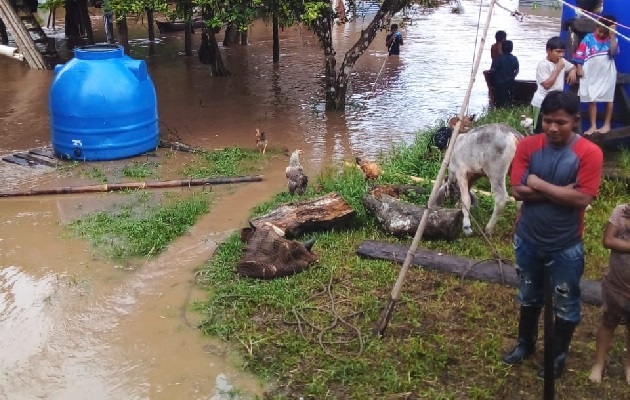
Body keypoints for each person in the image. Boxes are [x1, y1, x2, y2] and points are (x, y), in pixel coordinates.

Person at [503, 90, 603, 379]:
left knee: (566, 304)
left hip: (566, 244)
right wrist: (563, 191)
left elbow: (582, 199)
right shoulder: (528, 146)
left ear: (575, 120)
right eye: (547, 121)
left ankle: (557, 358)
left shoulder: (589, 153)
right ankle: (525, 345)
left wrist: (538, 184)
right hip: (528, 238)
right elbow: (517, 190)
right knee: (528, 294)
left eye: (560, 122)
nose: (553, 128)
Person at [588, 203, 630, 384]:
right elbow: (608, 240)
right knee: (608, 322)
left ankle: (629, 365)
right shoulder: (621, 212)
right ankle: (599, 363)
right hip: (616, 285)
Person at [572, 15, 619, 135]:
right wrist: (579, 67)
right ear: (596, 27)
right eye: (600, 31)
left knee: (609, 98)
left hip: (607, 72)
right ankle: (593, 126)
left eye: (605, 33)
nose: (602, 35)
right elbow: (580, 54)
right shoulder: (588, 38)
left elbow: (613, 52)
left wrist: (612, 36)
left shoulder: (611, 39)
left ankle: (607, 124)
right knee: (591, 98)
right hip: (591, 72)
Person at [530, 36, 578, 133]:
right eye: (558, 52)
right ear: (548, 51)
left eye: (563, 52)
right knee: (539, 131)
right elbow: (547, 85)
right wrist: (558, 69)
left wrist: (573, 71)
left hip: (556, 103)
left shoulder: (562, 62)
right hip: (541, 103)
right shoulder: (543, 65)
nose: (561, 55)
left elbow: (572, 67)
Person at [490, 40, 519, 108]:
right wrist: (512, 76)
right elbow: (517, 70)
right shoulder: (514, 58)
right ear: (511, 49)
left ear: (502, 48)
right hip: (511, 83)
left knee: (500, 101)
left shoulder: (498, 59)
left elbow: (493, 70)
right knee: (509, 100)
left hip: (500, 84)